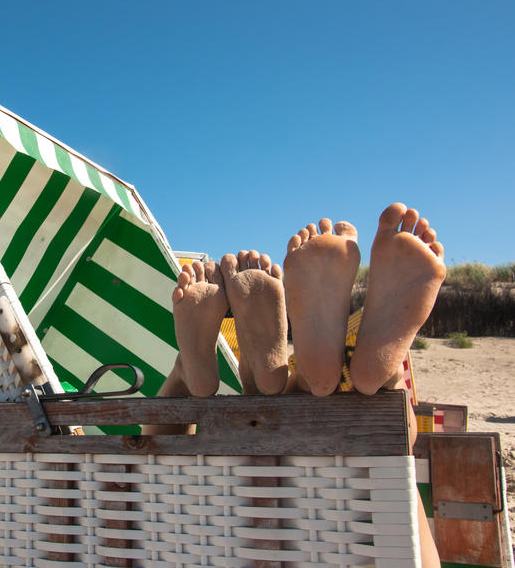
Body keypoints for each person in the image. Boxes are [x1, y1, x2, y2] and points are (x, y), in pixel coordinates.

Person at [145, 203, 445, 568]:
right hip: (374, 537)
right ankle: (372, 379)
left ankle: (202, 377)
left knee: (161, 450)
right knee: (395, 444)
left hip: (225, 530)